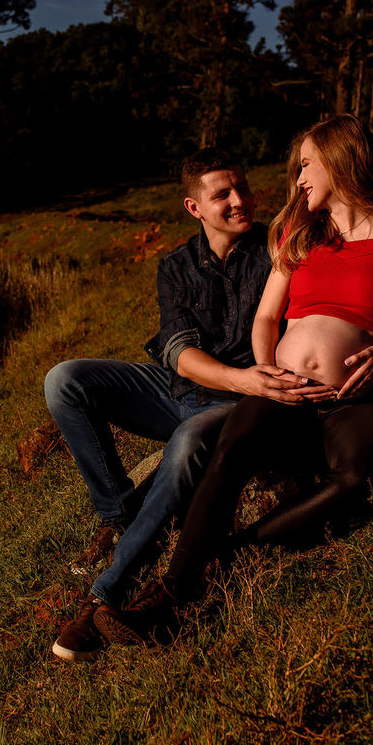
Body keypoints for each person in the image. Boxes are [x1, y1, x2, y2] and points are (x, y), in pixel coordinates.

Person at [92, 114, 373, 647]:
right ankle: (174, 598)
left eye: (305, 166)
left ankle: (234, 554)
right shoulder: (300, 234)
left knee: (355, 480)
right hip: (287, 389)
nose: (298, 180)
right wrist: (267, 373)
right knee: (231, 451)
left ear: (340, 162)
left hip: (355, 394)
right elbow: (266, 318)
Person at [45, 148, 335, 662]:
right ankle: (122, 515)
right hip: (187, 389)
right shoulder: (175, 266)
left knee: (185, 444)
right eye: (221, 194)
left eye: (242, 187)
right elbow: (179, 352)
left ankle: (105, 594)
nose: (239, 200)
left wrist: (256, 382)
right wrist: (239, 377)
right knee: (64, 380)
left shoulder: (277, 247)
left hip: (239, 405)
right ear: (193, 207)